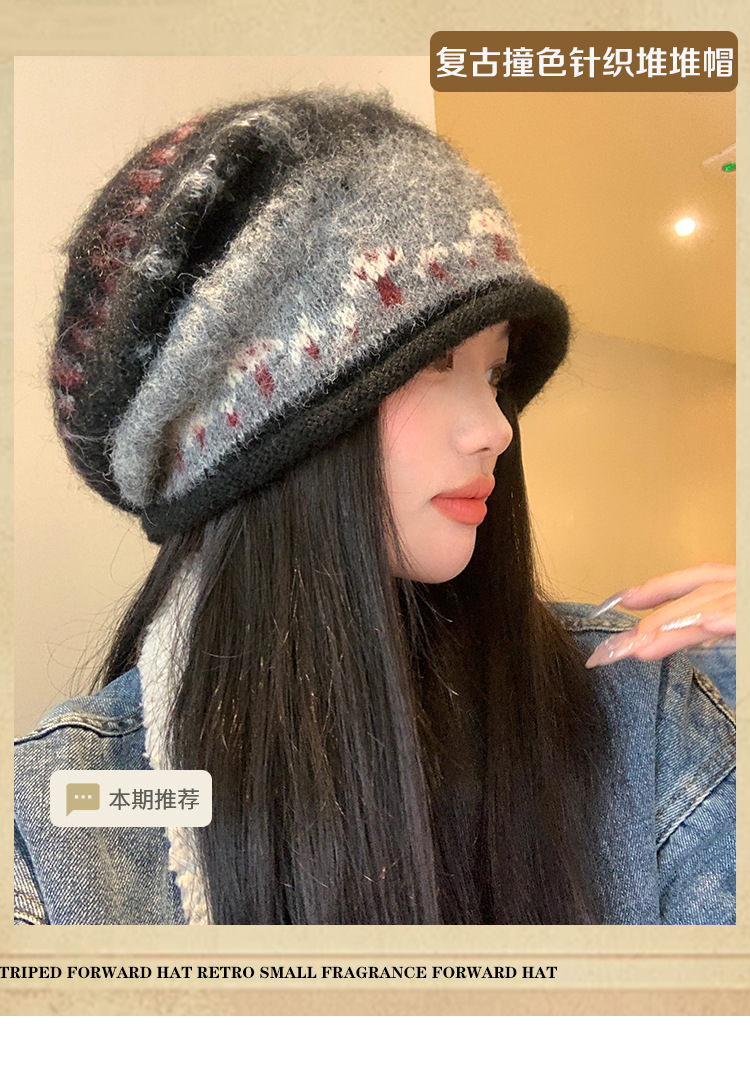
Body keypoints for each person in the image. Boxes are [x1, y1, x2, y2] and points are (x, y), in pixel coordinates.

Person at [14, 88, 735, 926]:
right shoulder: (72, 818)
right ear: (255, 434)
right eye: (434, 363)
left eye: (496, 371)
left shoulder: (640, 713)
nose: (497, 429)